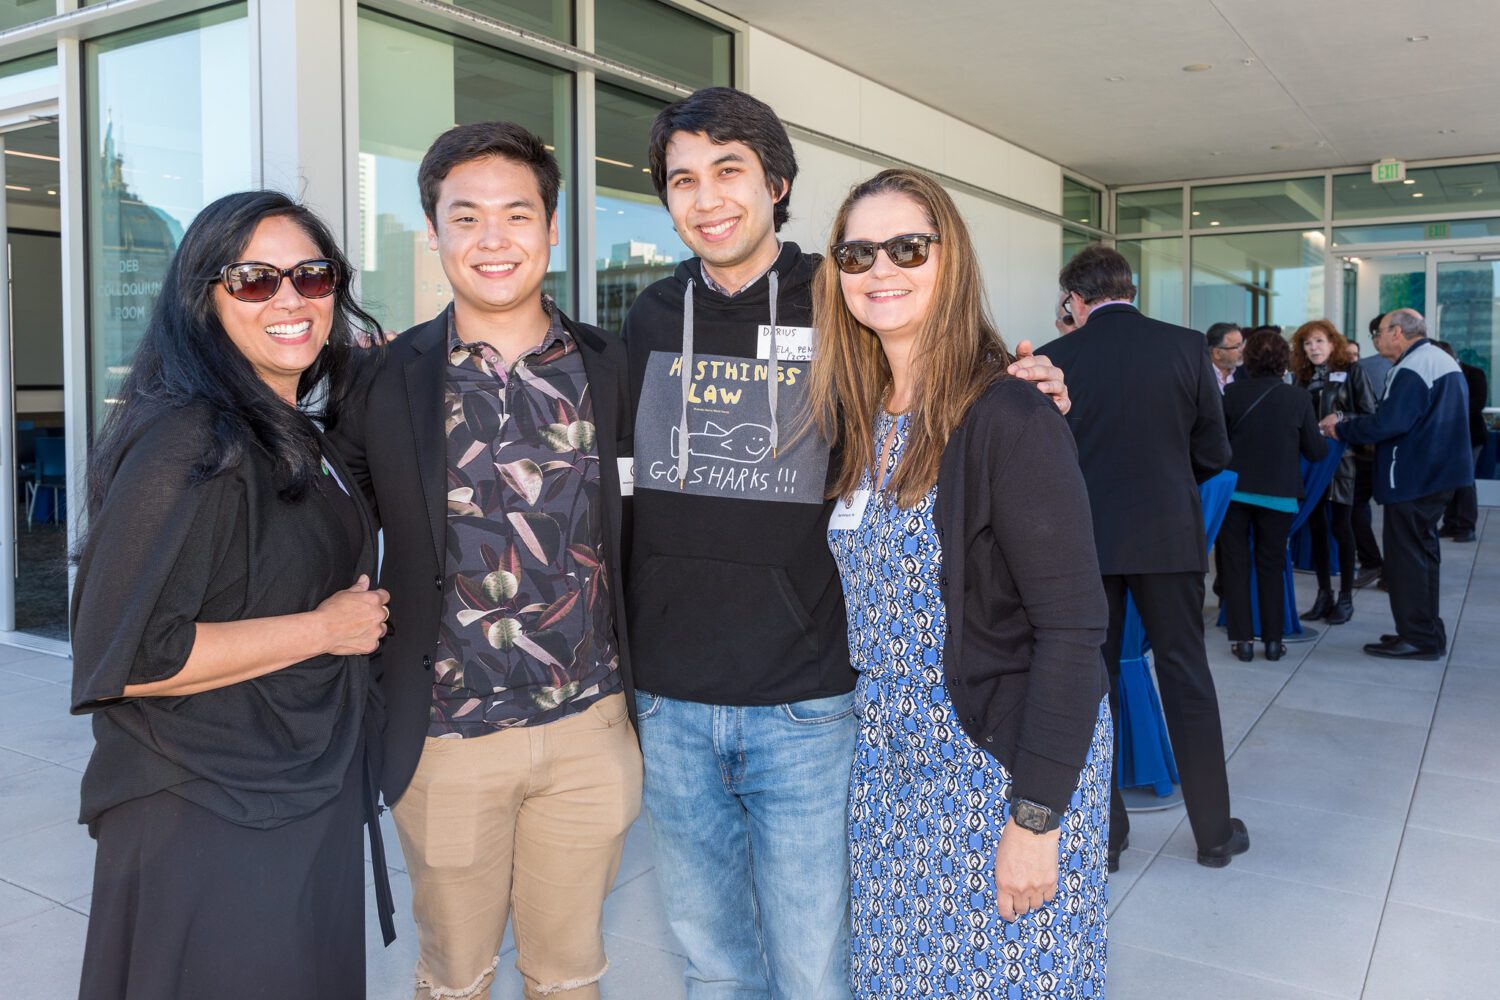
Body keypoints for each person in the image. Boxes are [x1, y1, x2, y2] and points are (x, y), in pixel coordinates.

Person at [621, 87, 1070, 999]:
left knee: (818, 967)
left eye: (729, 172)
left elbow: (939, 375)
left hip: (807, 703)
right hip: (669, 701)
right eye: (682, 181)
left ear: (778, 183)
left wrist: (1030, 386)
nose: (706, 199)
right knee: (713, 963)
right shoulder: (646, 317)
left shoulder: (846, 298)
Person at [327, 122, 641, 1000]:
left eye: (517, 214)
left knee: (569, 974)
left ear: (551, 228)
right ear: (434, 233)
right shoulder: (380, 380)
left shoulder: (612, 367)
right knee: (454, 979)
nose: (493, 239)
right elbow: (322, 518)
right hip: (445, 738)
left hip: (589, 729)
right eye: (467, 218)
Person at [70, 191, 392, 997]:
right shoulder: (192, 439)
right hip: (208, 813)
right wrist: (324, 630)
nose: (289, 299)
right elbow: (129, 656)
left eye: (311, 276)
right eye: (253, 280)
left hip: (295, 791)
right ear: (202, 300)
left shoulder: (286, 429)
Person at [806, 167, 1110, 998]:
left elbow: (1075, 628)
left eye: (907, 247)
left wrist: (1038, 816)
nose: (881, 269)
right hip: (888, 764)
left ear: (952, 258)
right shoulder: (858, 416)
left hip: (996, 763)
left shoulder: (1009, 416)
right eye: (856, 253)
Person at [1039, 244, 1248, 874]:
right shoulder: (1187, 347)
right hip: (1168, 539)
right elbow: (1215, 453)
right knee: (1187, 676)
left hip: (1086, 545)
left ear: (1074, 300)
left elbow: (1043, 459)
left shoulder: (1057, 357)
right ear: (1131, 289)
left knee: (1090, 687)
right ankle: (1213, 834)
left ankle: (1105, 837)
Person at [1322, 309, 1473, 660]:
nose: (1376, 339)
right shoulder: (1437, 359)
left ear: (1398, 333)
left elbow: (1390, 423)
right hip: (1434, 474)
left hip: (1415, 476)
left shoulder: (1413, 367)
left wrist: (1341, 427)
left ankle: (1418, 638)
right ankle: (1424, 632)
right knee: (1422, 556)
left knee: (1407, 561)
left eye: (1380, 332)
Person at [1221, 329, 1329, 661]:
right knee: (1271, 565)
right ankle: (1272, 640)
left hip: (1235, 493)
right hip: (1280, 496)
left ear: (1248, 359)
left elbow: (1214, 444)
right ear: (1284, 362)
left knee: (1235, 566)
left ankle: (1241, 641)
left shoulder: (1231, 394)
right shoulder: (1298, 399)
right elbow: (1316, 451)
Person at [1289, 320, 1377, 625]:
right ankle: (1323, 594)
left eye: (1318, 341)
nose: (1313, 348)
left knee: (1342, 527)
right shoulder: (1300, 377)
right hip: (1310, 461)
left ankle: (1346, 598)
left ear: (1332, 343)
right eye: (1307, 343)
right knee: (1316, 530)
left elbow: (1371, 414)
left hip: (1344, 462)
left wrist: (1339, 416)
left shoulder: (1353, 371)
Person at [1350, 314, 1394, 586]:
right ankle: (1384, 568)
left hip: (1371, 449)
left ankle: (1373, 562)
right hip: (1385, 453)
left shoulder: (1362, 369)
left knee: (1355, 506)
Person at [1434, 340, 1488, 542]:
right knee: (1451, 479)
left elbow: (1478, 403)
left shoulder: (1474, 374)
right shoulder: (1440, 374)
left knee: (1465, 480)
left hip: (1471, 436)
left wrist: (1445, 410)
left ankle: (1466, 526)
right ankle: (1451, 523)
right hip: (1447, 437)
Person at [1206, 321, 1245, 392]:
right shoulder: (1200, 376)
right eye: (1237, 346)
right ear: (1217, 353)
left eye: (1242, 344)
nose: (1242, 350)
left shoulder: (1245, 373)